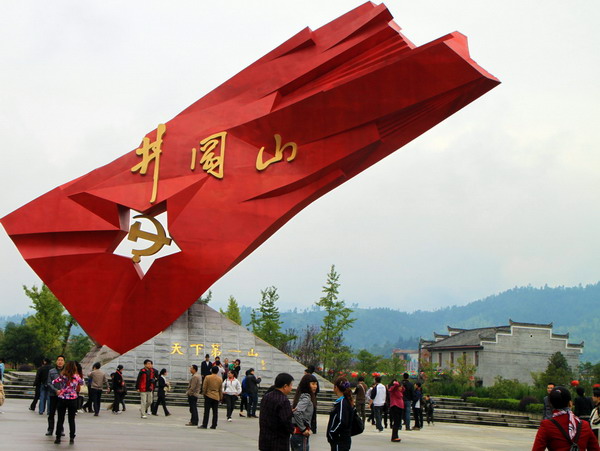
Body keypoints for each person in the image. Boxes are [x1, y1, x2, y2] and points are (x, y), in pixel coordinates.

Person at [532, 386, 599, 450]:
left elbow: (537, 449)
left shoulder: (546, 425)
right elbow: (595, 448)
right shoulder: (584, 425)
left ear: (550, 405)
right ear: (570, 403)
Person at [259, 373, 295, 451]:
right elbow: (285, 420)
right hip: (278, 442)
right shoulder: (283, 400)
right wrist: (293, 430)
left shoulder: (266, 396)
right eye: (291, 385)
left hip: (265, 440)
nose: (292, 388)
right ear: (285, 386)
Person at [52, 361, 84, 444]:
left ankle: (58, 437)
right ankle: (72, 437)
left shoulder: (63, 376)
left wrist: (60, 388)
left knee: (60, 419)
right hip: (73, 399)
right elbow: (82, 383)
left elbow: (54, 382)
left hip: (62, 398)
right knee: (71, 419)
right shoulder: (76, 376)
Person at [291, 373, 317, 451]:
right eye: (312, 384)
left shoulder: (300, 395)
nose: (315, 386)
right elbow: (296, 412)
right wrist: (303, 429)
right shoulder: (306, 397)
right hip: (300, 434)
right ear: (306, 385)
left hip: (296, 434)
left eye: (316, 384)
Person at [327, 376, 354, 451]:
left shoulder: (343, 402)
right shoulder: (346, 401)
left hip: (340, 439)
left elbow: (341, 421)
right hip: (342, 439)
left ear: (336, 387)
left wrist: (332, 433)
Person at [45, 355, 65, 437]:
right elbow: (49, 383)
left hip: (63, 395)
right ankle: (50, 429)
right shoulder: (51, 371)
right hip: (53, 395)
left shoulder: (66, 371)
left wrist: (62, 391)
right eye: (58, 360)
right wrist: (55, 390)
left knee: (61, 413)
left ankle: (61, 429)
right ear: (56, 361)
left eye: (62, 360)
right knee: (51, 413)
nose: (60, 361)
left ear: (64, 362)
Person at [388, 379, 404, 443]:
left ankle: (396, 435)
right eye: (400, 387)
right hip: (395, 407)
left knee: (398, 422)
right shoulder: (393, 390)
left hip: (400, 407)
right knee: (396, 422)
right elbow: (391, 389)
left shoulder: (400, 392)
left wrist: (401, 385)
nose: (401, 388)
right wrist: (396, 384)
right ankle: (394, 436)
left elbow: (404, 389)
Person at [305, 365, 320, 433]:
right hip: (313, 397)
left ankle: (312, 427)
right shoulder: (314, 378)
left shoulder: (311, 379)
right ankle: (313, 427)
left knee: (312, 412)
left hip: (312, 398)